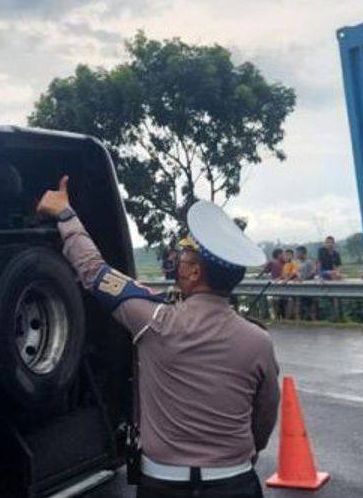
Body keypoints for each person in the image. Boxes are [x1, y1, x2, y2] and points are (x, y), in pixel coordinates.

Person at [37, 177, 279, 498]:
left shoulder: (153, 320)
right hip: (234, 483)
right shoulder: (258, 341)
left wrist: (66, 216)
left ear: (195, 273)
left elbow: (93, 270)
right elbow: (263, 421)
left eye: (184, 259)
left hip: (163, 485)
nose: (177, 263)